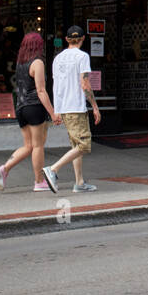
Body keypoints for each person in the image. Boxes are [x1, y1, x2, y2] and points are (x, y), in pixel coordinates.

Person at [0, 31, 60, 192]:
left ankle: (4, 169)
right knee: (38, 146)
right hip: (34, 108)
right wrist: (52, 113)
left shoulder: (20, 63)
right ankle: (39, 181)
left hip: (20, 107)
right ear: (38, 46)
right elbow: (41, 90)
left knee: (28, 145)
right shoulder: (37, 63)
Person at [43, 25, 102, 192]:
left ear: (67, 39)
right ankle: (53, 169)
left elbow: (56, 85)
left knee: (76, 145)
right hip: (76, 106)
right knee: (84, 145)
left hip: (64, 107)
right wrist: (95, 107)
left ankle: (79, 182)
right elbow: (85, 84)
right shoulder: (82, 57)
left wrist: (57, 110)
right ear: (83, 39)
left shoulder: (57, 59)